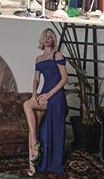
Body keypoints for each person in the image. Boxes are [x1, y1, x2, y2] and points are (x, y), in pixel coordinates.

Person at [22, 28, 67, 176]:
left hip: (56, 96)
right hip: (44, 94)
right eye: (45, 37)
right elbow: (36, 79)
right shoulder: (39, 59)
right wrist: (35, 94)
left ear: (53, 40)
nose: (47, 39)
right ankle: (32, 166)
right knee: (33, 125)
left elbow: (64, 79)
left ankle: (35, 144)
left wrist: (49, 94)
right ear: (42, 39)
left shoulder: (57, 55)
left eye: (50, 37)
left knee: (26, 104)